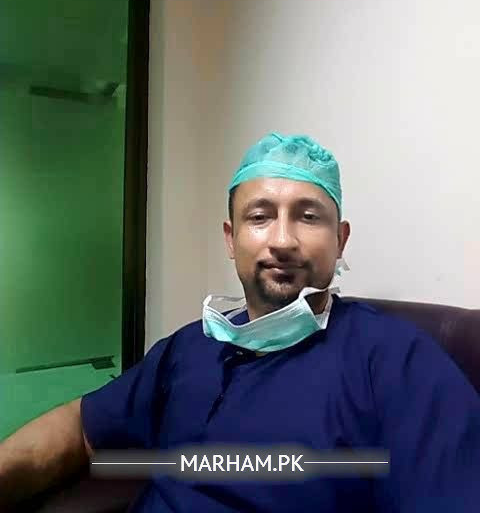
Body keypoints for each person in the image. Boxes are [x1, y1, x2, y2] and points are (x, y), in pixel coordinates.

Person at [1, 132, 479, 512]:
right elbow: (83, 426)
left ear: (340, 240)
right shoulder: (188, 348)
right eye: (260, 217)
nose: (283, 240)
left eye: (308, 217)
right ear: (231, 239)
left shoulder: (397, 362)